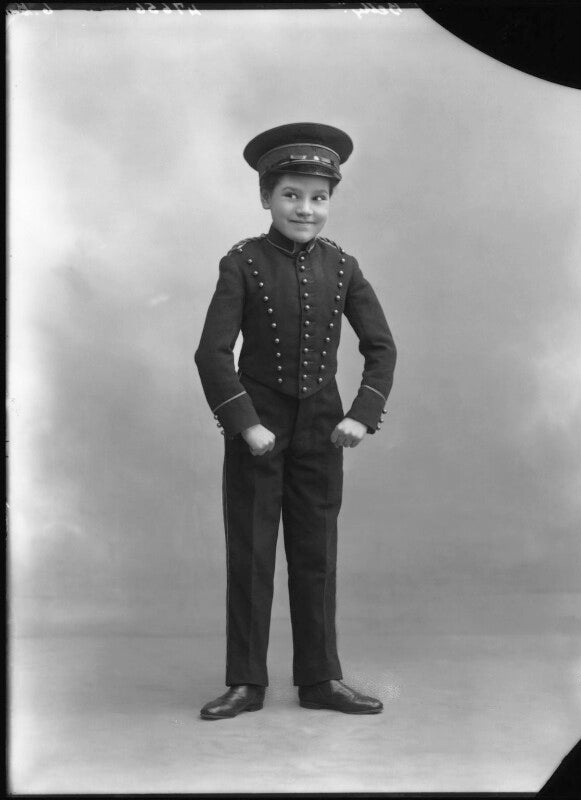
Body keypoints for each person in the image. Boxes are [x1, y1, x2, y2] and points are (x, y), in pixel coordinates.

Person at [194, 122, 396, 719]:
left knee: (316, 556)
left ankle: (319, 680)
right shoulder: (242, 262)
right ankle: (246, 683)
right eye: (291, 195)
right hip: (257, 431)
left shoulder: (344, 266)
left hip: (322, 432)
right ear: (265, 197)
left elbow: (381, 348)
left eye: (318, 197)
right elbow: (212, 352)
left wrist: (362, 415)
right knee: (252, 555)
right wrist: (245, 423)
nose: (305, 209)